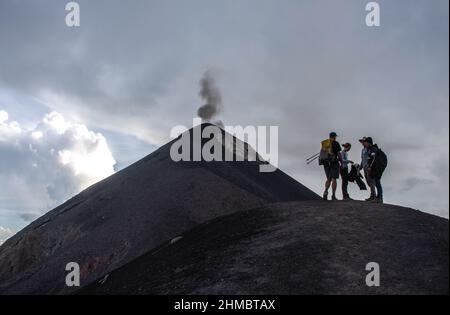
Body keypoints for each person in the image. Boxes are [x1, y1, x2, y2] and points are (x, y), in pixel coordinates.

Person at [322, 132, 342, 201]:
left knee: (328, 179)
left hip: (326, 163)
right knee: (334, 179)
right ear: (334, 137)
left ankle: (325, 191)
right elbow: (339, 153)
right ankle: (333, 195)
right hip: (334, 162)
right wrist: (341, 161)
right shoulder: (336, 143)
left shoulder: (325, 143)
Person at [367, 139, 387, 203]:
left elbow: (373, 158)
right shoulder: (372, 149)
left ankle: (379, 198)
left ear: (369, 143)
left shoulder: (373, 149)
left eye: (365, 143)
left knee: (377, 182)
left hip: (378, 167)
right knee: (377, 181)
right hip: (378, 167)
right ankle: (379, 198)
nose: (365, 144)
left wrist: (370, 167)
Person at [359, 137, 376, 201]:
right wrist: (360, 167)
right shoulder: (363, 150)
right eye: (362, 142)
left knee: (371, 181)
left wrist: (370, 167)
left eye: (363, 141)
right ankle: (373, 195)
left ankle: (373, 196)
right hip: (364, 168)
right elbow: (362, 159)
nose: (362, 143)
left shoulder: (369, 149)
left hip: (368, 167)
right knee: (368, 182)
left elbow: (371, 158)